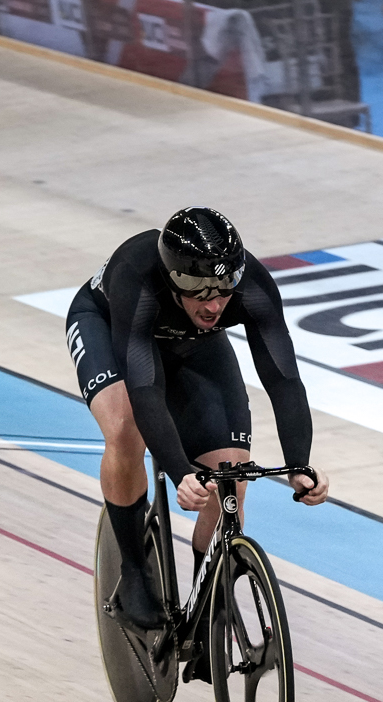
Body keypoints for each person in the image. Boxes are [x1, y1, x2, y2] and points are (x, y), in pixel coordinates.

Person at [68, 207, 328, 631]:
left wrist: (300, 462)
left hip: (191, 344)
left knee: (233, 474)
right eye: (198, 290)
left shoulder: (253, 288)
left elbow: (283, 380)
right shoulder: (139, 278)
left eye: (224, 288)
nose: (214, 303)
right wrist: (179, 471)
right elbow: (146, 389)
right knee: (125, 428)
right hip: (110, 326)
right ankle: (134, 572)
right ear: (173, 280)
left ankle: (210, 600)